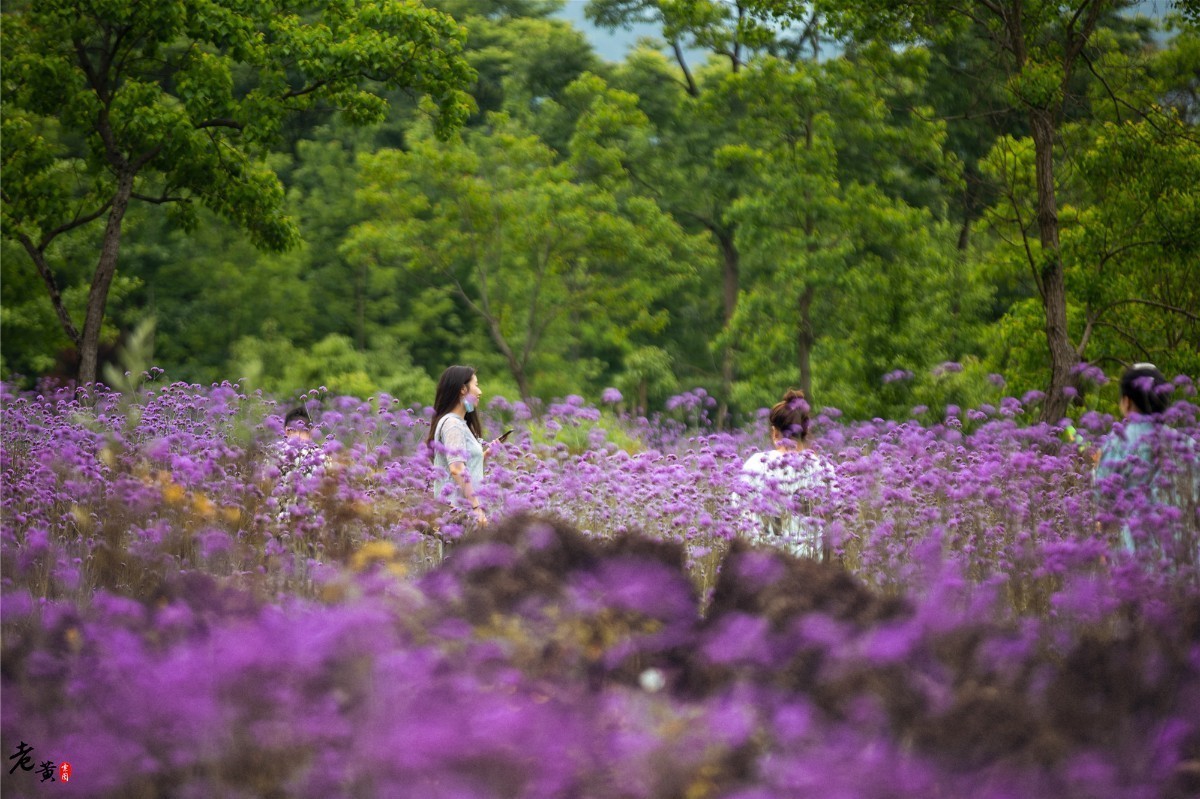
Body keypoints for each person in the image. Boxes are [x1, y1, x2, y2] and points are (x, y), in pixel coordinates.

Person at [1094, 363, 1197, 562]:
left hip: (1134, 566)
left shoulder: (1116, 445)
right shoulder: (1188, 446)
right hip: (1185, 562)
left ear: (1127, 402)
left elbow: (1103, 504)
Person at [738, 388, 839, 559]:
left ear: (774, 432)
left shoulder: (755, 464)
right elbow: (833, 517)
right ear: (805, 431)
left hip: (767, 561)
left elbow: (741, 515)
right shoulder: (823, 468)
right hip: (811, 561)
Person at [427, 366, 499, 528]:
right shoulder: (453, 424)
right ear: (462, 389)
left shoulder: (460, 424)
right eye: (476, 385)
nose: (479, 392)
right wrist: (476, 507)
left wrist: (484, 456)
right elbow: (457, 469)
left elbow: (463, 465)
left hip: (462, 512)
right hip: (458, 514)